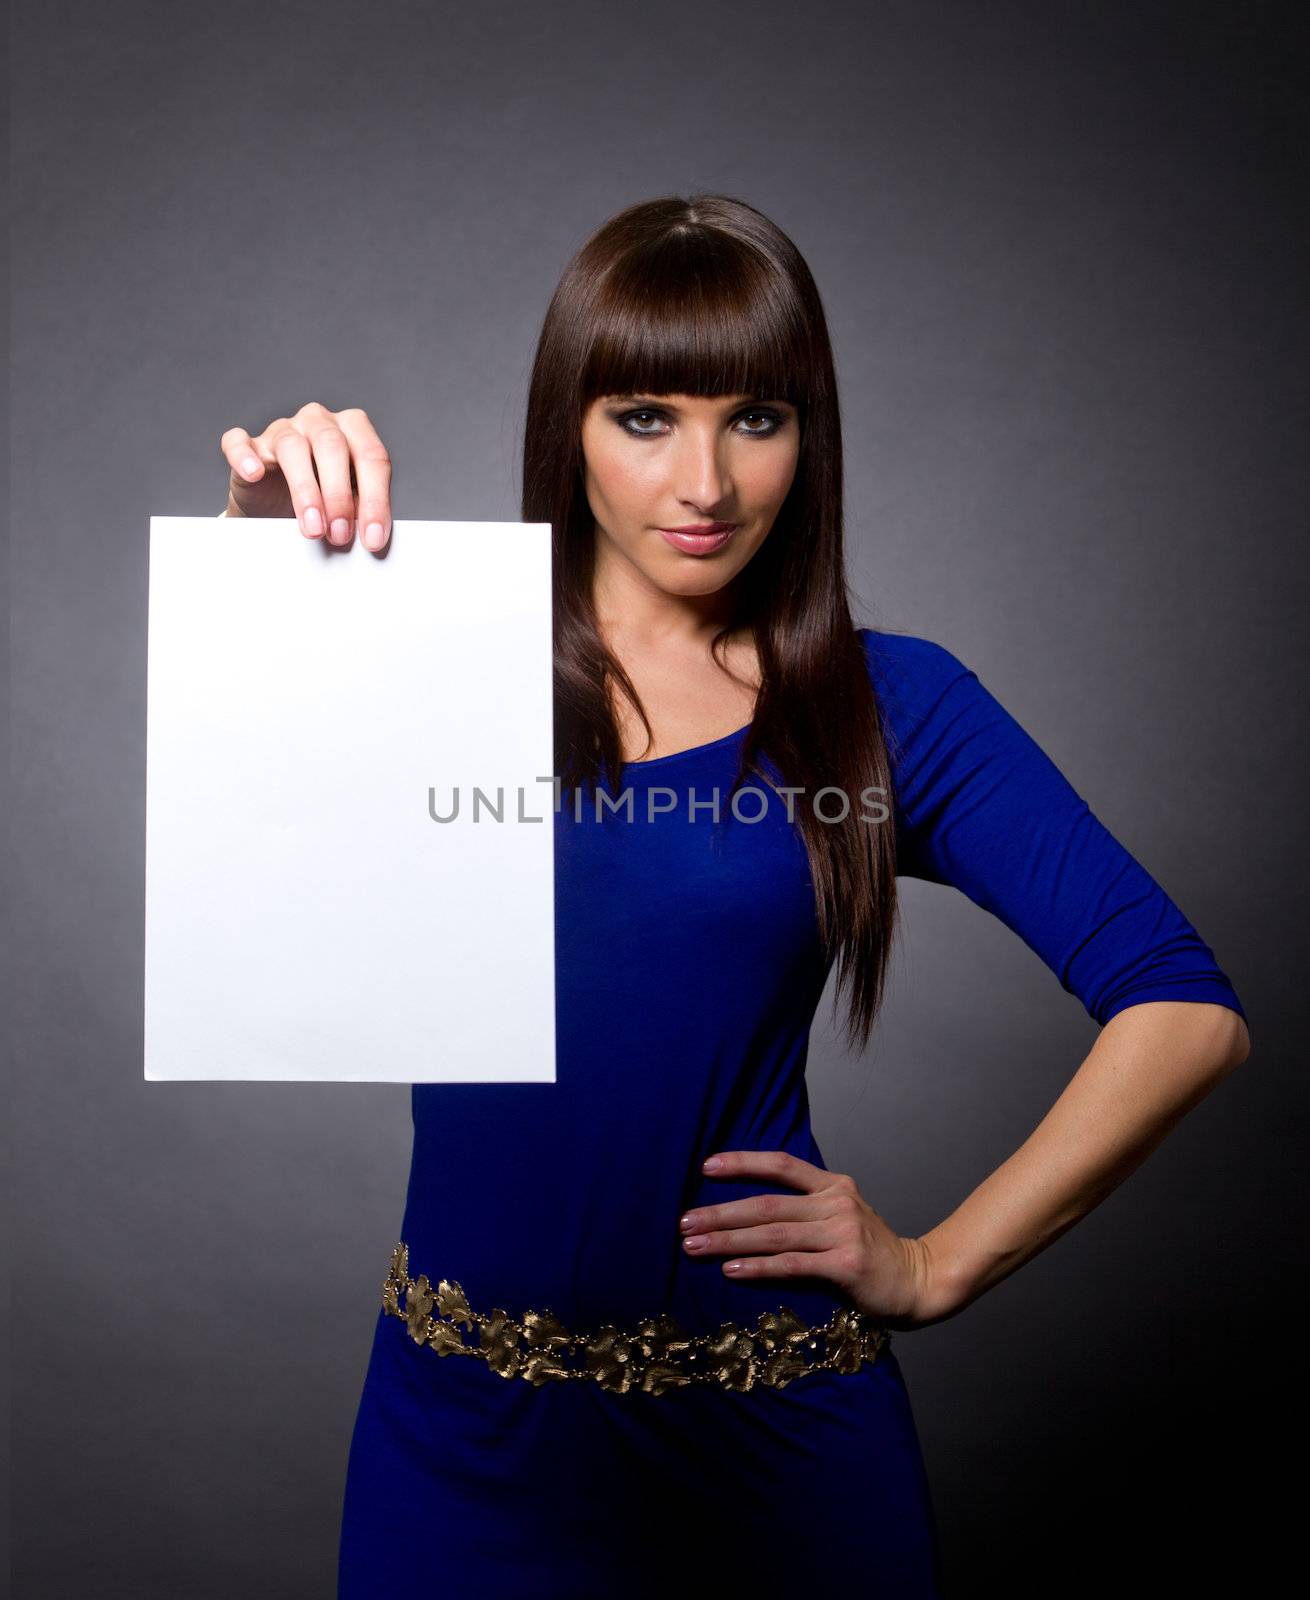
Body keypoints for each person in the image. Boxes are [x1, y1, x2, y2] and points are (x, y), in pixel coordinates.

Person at [214, 194, 1250, 1597]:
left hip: (775, 1448)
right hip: (461, 1442)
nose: (702, 480)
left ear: (806, 436)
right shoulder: (424, 660)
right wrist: (261, 578)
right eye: (644, 416)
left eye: (753, 417)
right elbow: (247, 877)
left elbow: (1182, 1007)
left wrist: (934, 1265)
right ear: (565, 430)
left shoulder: (891, 709)